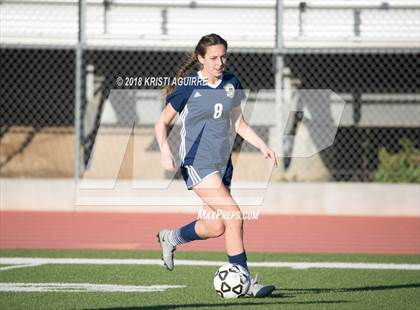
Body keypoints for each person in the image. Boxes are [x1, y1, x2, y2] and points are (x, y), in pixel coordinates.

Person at [154, 33, 278, 298]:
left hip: (223, 164)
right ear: (200, 59)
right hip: (198, 162)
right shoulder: (188, 86)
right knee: (234, 216)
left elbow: (238, 123)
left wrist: (262, 145)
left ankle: (171, 237)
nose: (219, 62)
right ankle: (245, 281)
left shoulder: (232, 82)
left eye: (223, 56)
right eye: (213, 58)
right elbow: (161, 122)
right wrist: (165, 150)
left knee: (216, 226)